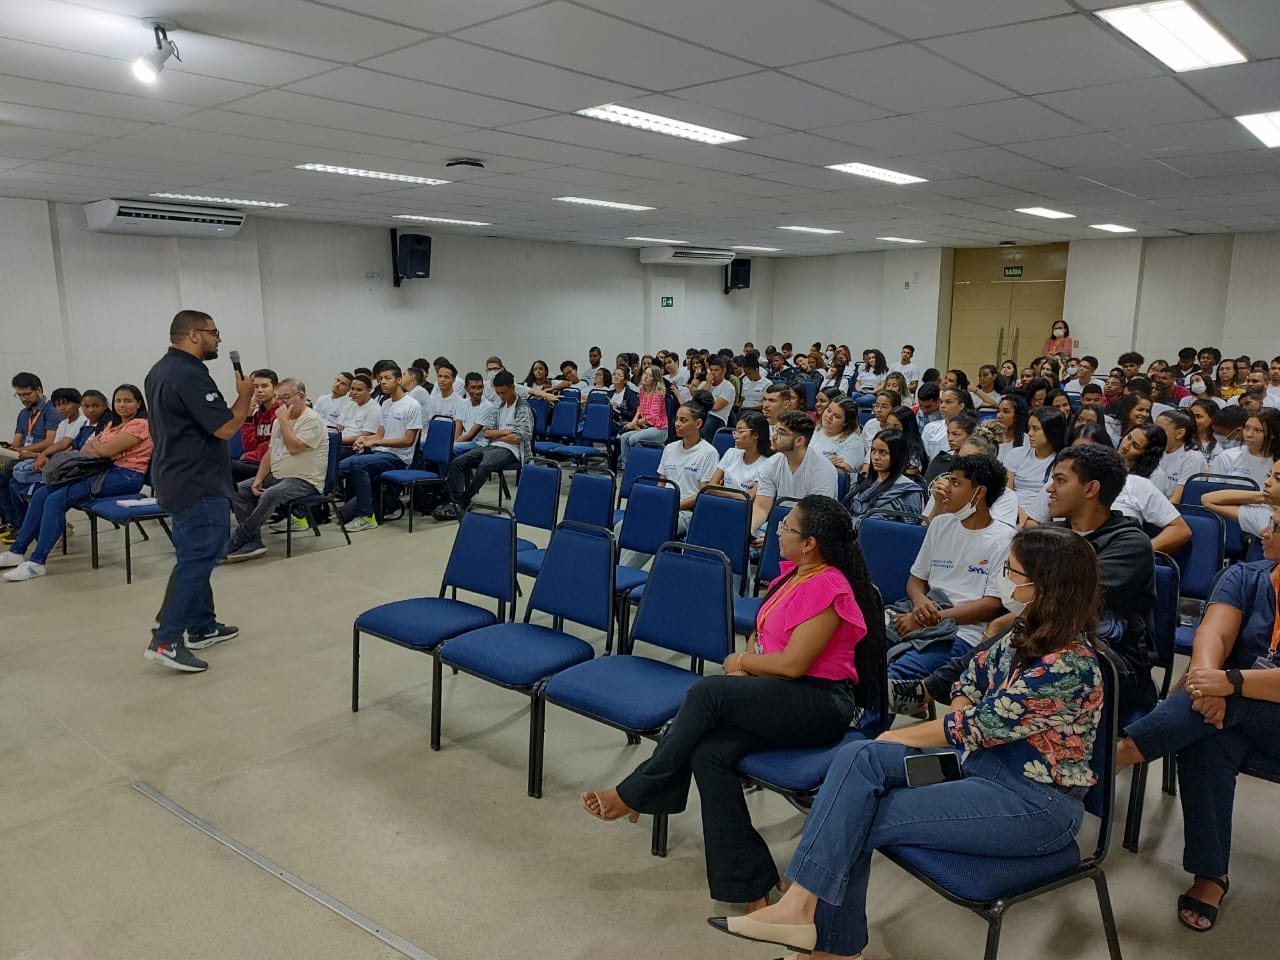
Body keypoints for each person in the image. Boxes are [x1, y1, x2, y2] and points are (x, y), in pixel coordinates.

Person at [710, 524, 1104, 959]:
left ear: (1045, 586)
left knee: (861, 808)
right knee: (859, 756)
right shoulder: (1024, 629)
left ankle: (825, 944)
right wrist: (956, 716)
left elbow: (977, 723)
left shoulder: (1071, 666)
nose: (1003, 582)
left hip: (1032, 802)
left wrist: (899, 734)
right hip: (972, 765)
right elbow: (969, 682)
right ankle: (802, 910)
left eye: (1011, 573)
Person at [583, 496, 881, 909]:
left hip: (819, 703)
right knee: (709, 754)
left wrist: (740, 663)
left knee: (707, 691)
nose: (777, 530)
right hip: (778, 694)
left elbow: (795, 664)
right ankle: (751, 884)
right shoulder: (791, 576)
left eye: (787, 527)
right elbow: (763, 635)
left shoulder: (830, 586)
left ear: (810, 543)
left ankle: (639, 789)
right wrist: (750, 663)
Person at [1114, 505, 1280, 932]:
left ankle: (1125, 751)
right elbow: (1213, 634)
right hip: (1226, 709)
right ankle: (1211, 874)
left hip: (1259, 712)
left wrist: (1233, 684)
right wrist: (1211, 682)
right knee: (1207, 738)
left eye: (1276, 525)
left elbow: (1243, 684)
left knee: (1236, 704)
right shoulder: (1247, 576)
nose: (1264, 530)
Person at [142, 311, 253, 672]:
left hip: (176, 475)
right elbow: (224, 427)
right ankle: (166, 638)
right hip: (196, 480)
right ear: (193, 335)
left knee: (196, 552)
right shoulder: (188, 373)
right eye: (214, 333)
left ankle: (201, 626)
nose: (218, 339)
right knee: (199, 556)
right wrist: (245, 397)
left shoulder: (159, 370)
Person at [0, 384, 153, 582]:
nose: (122, 405)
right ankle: (17, 551)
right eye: (118, 401)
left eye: (128, 401)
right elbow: (87, 449)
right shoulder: (112, 425)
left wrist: (101, 448)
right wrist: (101, 448)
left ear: (138, 403)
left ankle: (37, 562)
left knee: (56, 500)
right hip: (103, 470)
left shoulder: (140, 424)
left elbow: (103, 451)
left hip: (125, 477)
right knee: (42, 493)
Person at [887, 454, 1014, 681]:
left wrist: (931, 619)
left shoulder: (1004, 539)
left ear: (979, 492)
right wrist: (920, 602)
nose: (946, 488)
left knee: (895, 675)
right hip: (920, 613)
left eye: (955, 483)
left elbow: (992, 605)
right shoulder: (940, 523)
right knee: (860, 649)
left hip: (962, 631)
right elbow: (916, 578)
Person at [224, 378, 328, 562]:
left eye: (286, 398)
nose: (281, 403)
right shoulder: (280, 421)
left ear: (301, 396)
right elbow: (270, 453)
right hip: (279, 475)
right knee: (240, 490)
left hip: (304, 480)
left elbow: (295, 447)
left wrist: (284, 422)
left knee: (269, 495)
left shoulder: (312, 420)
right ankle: (254, 541)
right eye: (279, 398)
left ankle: (240, 537)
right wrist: (259, 478)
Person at [617, 400, 717, 567]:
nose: (677, 424)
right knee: (623, 525)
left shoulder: (708, 453)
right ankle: (613, 570)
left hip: (687, 512)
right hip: (664, 506)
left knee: (653, 528)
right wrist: (659, 504)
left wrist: (675, 506)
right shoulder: (670, 448)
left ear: (698, 423)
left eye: (683, 420)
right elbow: (661, 483)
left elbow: (703, 492)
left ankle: (619, 577)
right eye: (677, 419)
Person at [435, 370, 532, 520]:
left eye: (504, 392)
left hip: (512, 451)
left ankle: (463, 501)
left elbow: (519, 438)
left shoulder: (523, 408)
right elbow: (487, 432)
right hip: (492, 446)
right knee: (458, 462)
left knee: (485, 465)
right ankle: (456, 501)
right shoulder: (498, 405)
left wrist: (499, 433)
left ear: (513, 388)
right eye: (498, 392)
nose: (501, 396)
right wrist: (506, 432)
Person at [337, 364, 423, 533]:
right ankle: (314, 508)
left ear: (399, 380)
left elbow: (408, 440)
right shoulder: (386, 404)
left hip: (398, 458)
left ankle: (367, 516)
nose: (383, 382)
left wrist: (377, 443)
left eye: (387, 378)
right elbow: (380, 435)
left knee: (358, 464)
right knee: (338, 467)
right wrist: (365, 439)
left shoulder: (412, 405)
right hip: (381, 453)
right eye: (381, 379)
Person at [749, 412, 838, 533]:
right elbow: (761, 507)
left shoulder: (823, 470)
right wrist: (750, 530)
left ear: (799, 441)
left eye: (781, 433)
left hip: (811, 531)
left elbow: (816, 517)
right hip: (780, 526)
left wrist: (779, 536)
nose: (774, 436)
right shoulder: (771, 464)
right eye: (775, 430)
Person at [0, 372, 63, 534]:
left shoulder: (52, 411)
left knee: (12, 478)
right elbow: (17, 442)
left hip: (44, 457)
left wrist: (21, 450)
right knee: (3, 476)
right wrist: (8, 448)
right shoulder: (23, 414)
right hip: (24, 457)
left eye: (27, 394)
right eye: (19, 395)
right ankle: (11, 521)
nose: (23, 399)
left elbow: (50, 442)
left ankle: (20, 524)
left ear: (39, 390)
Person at [843, 429, 923, 520]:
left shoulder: (908, 490)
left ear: (897, 455)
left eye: (883, 453)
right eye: (873, 451)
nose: (876, 457)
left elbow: (910, 528)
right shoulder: (861, 481)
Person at [1002, 407, 1067, 515]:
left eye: (1036, 429)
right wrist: (1018, 512)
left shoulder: (1062, 462)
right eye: (1029, 428)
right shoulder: (1016, 454)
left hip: (1043, 515)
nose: (1030, 433)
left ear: (1052, 431)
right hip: (1011, 511)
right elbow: (1007, 492)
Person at [1202, 460, 1280, 541]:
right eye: (1269, 476)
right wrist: (1264, 497)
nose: (1267, 482)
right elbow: (1208, 500)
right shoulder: (1263, 514)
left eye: (1278, 478)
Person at [708, 411, 775, 499]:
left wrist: (721, 491)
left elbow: (750, 498)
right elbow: (710, 487)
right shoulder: (731, 453)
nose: (736, 436)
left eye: (741, 431)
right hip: (721, 503)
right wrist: (740, 495)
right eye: (735, 431)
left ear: (755, 435)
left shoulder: (767, 464)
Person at [1212, 409, 1280, 489]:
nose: (1248, 434)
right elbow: (1213, 491)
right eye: (1247, 428)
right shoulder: (1227, 456)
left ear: (1273, 434)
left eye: (1257, 430)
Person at [232, 369, 279, 483]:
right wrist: (248, 418)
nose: (259, 391)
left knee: (223, 466)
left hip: (267, 465)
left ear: (275, 389)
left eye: (264, 386)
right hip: (250, 461)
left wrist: (252, 454)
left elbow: (274, 447)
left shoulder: (280, 412)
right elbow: (249, 446)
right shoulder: (257, 414)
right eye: (255, 387)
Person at [618, 365, 669, 468]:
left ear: (655, 379)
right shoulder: (642, 391)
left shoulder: (657, 395)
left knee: (633, 439)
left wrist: (635, 423)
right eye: (645, 374)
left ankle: (641, 464)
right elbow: (640, 407)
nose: (645, 377)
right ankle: (627, 467)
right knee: (624, 438)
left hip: (659, 429)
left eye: (649, 375)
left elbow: (652, 418)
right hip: (646, 427)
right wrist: (634, 420)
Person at [1157, 409, 1207, 503]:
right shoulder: (1154, 450)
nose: (1154, 433)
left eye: (1160, 430)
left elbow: (1176, 500)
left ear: (1179, 433)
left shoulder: (1194, 458)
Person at [809, 396, 865, 476]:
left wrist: (813, 462)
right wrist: (824, 462)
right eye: (829, 410)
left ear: (846, 422)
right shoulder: (816, 430)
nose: (829, 416)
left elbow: (840, 472)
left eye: (836, 416)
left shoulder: (853, 441)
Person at [454, 372, 494, 454]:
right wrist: (453, 442)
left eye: (480, 387)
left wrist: (452, 444)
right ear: (466, 389)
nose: (477, 391)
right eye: (473, 388)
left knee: (449, 449)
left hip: (479, 444)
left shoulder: (487, 406)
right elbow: (458, 428)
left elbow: (471, 435)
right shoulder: (462, 403)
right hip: (464, 441)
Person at [701, 356, 736, 441]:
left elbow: (716, 407)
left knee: (707, 424)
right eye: (711, 370)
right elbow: (696, 402)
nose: (713, 373)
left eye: (716, 370)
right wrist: (708, 383)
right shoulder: (705, 384)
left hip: (717, 418)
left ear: (724, 371)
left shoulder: (728, 387)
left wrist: (702, 403)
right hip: (702, 414)